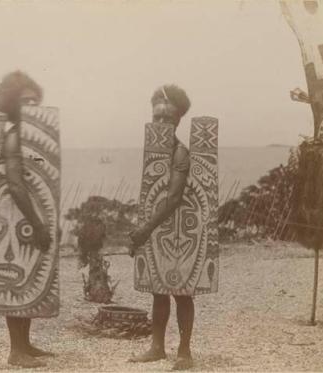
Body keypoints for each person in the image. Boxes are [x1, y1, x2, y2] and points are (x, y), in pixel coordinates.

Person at [129, 85, 194, 370]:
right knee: (158, 289)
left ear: (178, 120)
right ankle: (157, 346)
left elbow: (174, 197)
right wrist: (142, 227)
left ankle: (184, 351)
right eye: (157, 117)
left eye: (167, 118)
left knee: (182, 291)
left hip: (178, 232)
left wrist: (145, 230)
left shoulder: (180, 153)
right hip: (155, 229)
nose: (161, 124)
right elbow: (151, 195)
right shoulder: (153, 155)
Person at [0, 70, 55, 368]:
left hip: (31, 215)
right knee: (16, 281)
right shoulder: (14, 137)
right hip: (16, 218)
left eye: (35, 102)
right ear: (12, 104)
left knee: (30, 275)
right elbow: (16, 184)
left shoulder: (34, 139)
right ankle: (15, 350)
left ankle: (26, 344)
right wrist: (37, 222)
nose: (32, 106)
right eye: (25, 101)